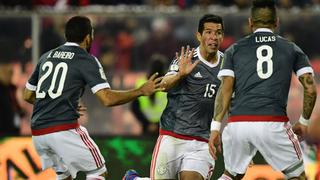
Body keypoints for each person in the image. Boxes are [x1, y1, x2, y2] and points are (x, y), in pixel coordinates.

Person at [23, 16, 164, 180]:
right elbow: (107, 99)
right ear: (88, 37)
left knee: (63, 175)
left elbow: (27, 95)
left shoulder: (46, 56)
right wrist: (140, 90)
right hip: (62, 129)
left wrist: (59, 102)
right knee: (98, 171)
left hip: (39, 133)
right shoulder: (85, 59)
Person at [208, 0, 317, 179]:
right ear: (277, 22)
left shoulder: (234, 50)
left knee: (230, 175)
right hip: (272, 122)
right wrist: (303, 122)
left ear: (250, 22)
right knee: (298, 176)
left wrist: (215, 127)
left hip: (238, 124)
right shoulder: (291, 49)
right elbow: (310, 88)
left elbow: (225, 89)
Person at [124, 14, 225, 180]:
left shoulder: (227, 64)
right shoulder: (186, 58)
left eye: (218, 32)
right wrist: (180, 75)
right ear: (199, 35)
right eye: (208, 32)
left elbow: (231, 99)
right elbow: (163, 85)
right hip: (172, 136)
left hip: (202, 140)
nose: (214, 37)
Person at [131, 54, 168, 135]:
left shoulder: (141, 83)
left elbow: (134, 108)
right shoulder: (168, 85)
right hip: (164, 128)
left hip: (146, 128)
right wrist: (157, 125)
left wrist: (147, 124)